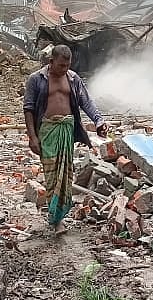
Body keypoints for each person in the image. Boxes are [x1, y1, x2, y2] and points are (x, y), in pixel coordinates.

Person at [23, 45, 107, 234]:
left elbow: (86, 102)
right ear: (51, 62)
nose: (64, 69)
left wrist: (99, 120)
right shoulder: (36, 79)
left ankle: (58, 217)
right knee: (53, 175)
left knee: (66, 175)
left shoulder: (73, 78)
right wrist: (32, 137)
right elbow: (28, 109)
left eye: (67, 65)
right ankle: (55, 217)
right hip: (48, 130)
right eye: (61, 65)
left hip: (67, 130)